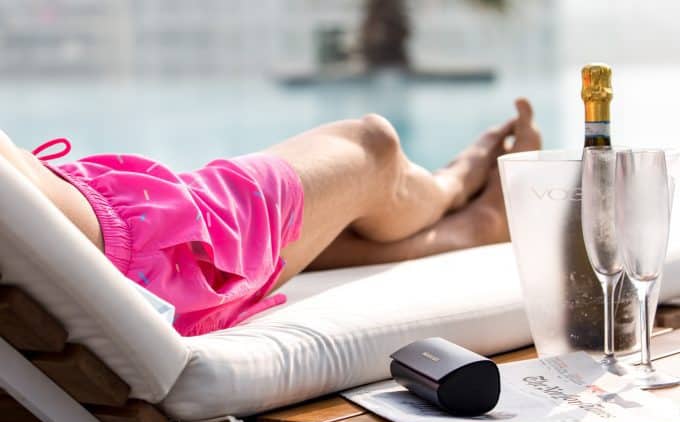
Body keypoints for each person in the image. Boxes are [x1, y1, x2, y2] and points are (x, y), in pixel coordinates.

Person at [0, 98, 541, 336]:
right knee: (370, 145)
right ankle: (452, 186)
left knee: (325, 223)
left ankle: (470, 227)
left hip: (121, 250)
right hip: (150, 254)